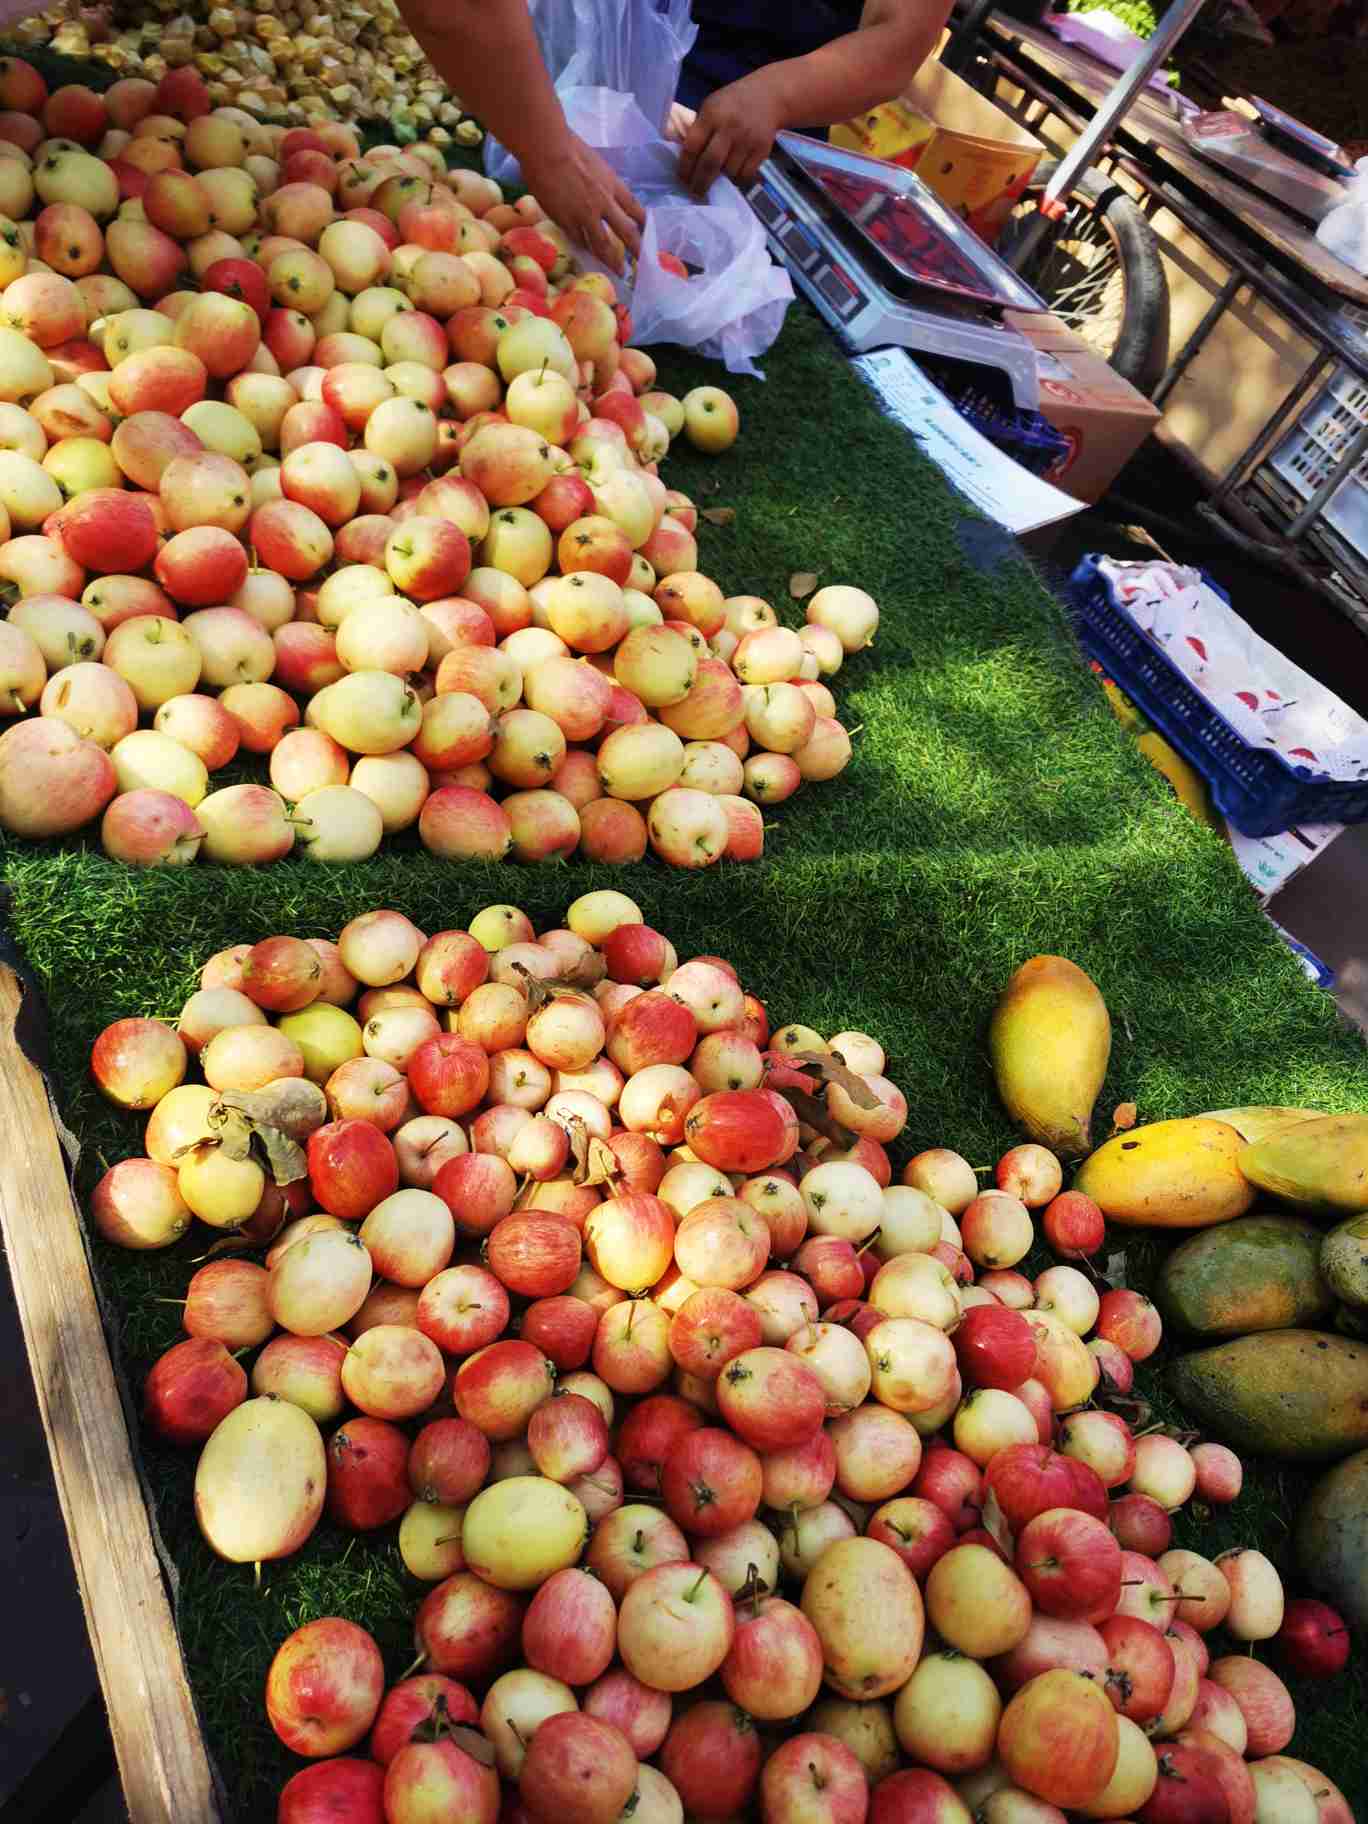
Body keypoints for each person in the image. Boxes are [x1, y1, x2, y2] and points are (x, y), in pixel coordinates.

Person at [399, 0, 946, 270]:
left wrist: (778, 95)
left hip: (742, 154)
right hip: (554, 78)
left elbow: (900, 36)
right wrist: (547, 146)